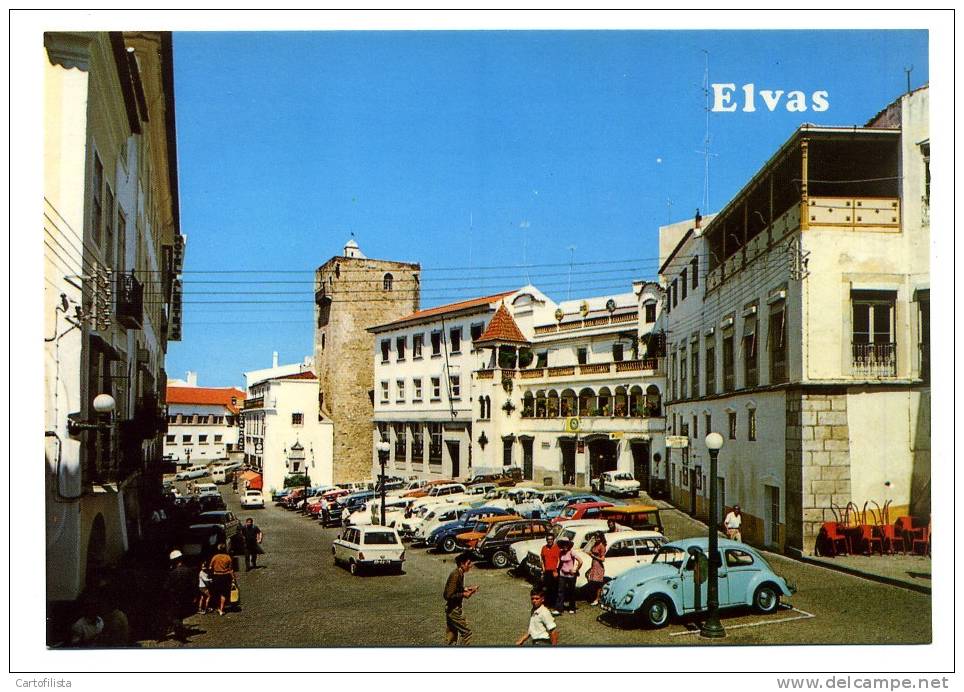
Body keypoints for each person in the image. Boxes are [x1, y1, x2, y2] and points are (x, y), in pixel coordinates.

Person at [442, 551, 479, 645]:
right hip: (453, 610)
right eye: (468, 563)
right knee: (467, 633)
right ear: (462, 564)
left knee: (451, 637)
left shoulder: (460, 573)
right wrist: (463, 594)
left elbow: (455, 589)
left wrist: (466, 589)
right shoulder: (455, 574)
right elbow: (448, 595)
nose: (470, 566)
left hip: (452, 609)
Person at [164, 550, 198, 641]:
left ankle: (180, 633)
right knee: (181, 615)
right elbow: (194, 584)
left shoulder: (172, 573)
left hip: (175, 598)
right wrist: (194, 596)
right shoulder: (189, 570)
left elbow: (166, 587)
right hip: (187, 597)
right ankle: (180, 631)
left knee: (174, 616)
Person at [555, 538, 582, 615]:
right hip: (562, 574)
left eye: (566, 544)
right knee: (560, 592)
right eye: (563, 544)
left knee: (571, 591)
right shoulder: (561, 553)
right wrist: (557, 570)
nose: (565, 546)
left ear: (569, 545)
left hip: (571, 575)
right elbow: (560, 563)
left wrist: (575, 569)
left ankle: (572, 608)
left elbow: (580, 561)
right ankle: (559, 609)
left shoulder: (571, 552)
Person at [208, 543, 234, 616]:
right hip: (225, 576)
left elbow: (210, 567)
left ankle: (217, 607)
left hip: (216, 576)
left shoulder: (215, 557)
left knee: (216, 592)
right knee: (224, 593)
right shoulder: (228, 557)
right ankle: (221, 609)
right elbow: (230, 569)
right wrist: (233, 578)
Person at [540, 532, 561, 613]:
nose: (550, 541)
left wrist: (556, 570)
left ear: (553, 540)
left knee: (554, 589)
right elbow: (542, 559)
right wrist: (543, 569)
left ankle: (553, 605)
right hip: (547, 571)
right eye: (548, 539)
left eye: (551, 539)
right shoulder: (544, 548)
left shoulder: (556, 548)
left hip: (554, 571)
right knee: (546, 589)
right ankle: (547, 605)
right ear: (546, 540)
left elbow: (559, 560)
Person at [586, 532, 607, 606]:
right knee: (593, 582)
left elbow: (602, 559)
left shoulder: (602, 546)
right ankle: (594, 597)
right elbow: (588, 550)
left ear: (601, 538)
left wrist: (593, 556)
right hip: (594, 565)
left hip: (598, 566)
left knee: (598, 583)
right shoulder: (595, 545)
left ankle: (597, 599)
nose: (597, 539)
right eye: (596, 537)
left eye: (598, 537)